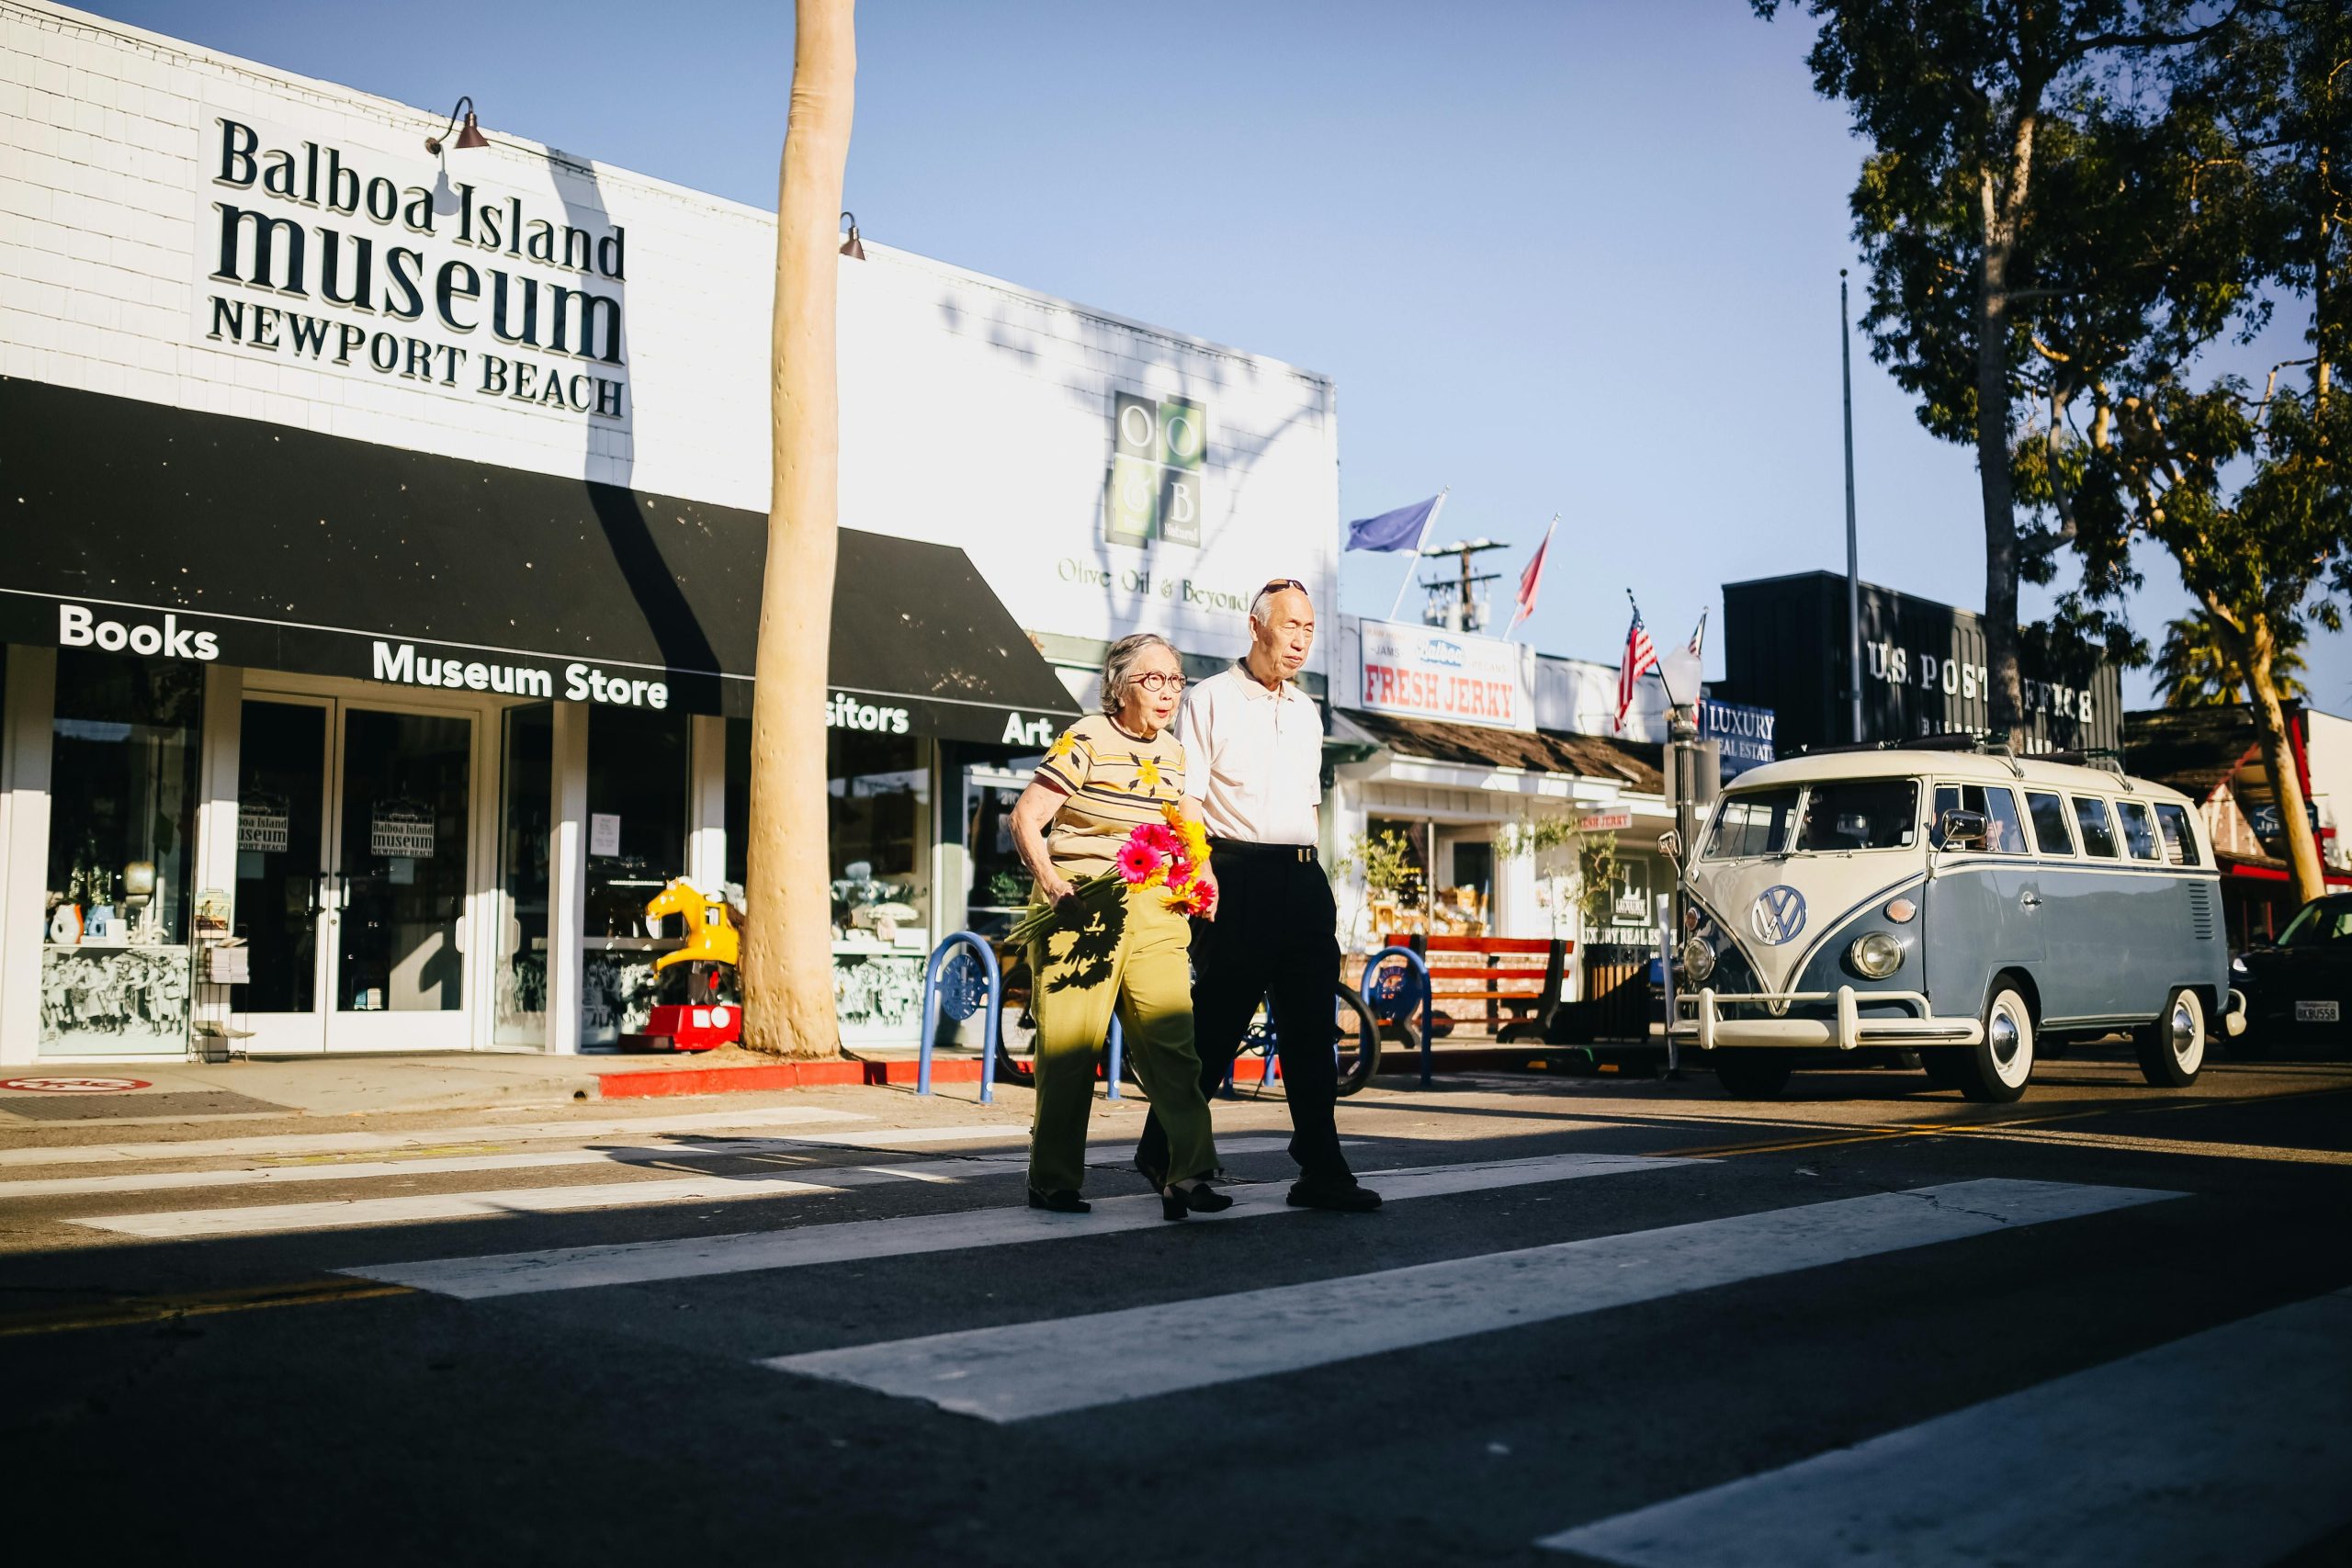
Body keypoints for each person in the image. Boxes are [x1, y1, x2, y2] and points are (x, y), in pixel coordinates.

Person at [1136, 579, 1380, 1213]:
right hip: (1234, 875)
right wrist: (1200, 870)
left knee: (1309, 1031)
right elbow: (1185, 796)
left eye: (1309, 628)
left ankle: (1320, 1167)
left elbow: (1309, 803)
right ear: (1255, 626)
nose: (1301, 639)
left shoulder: (1307, 710)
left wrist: (1315, 880)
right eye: (1290, 625)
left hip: (1301, 877)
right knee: (1216, 1025)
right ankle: (1166, 1153)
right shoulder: (1210, 698)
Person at [1008, 632, 1232, 1221]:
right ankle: (1052, 1179)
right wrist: (1054, 885)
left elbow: (1186, 824)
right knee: (1070, 1053)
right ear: (1120, 685)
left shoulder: (1177, 754)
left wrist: (1202, 875)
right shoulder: (1085, 738)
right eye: (1153, 679)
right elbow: (1026, 817)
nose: (1168, 692)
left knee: (1174, 1048)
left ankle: (1187, 1173)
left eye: (1175, 680)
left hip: (1156, 911)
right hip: (1081, 910)